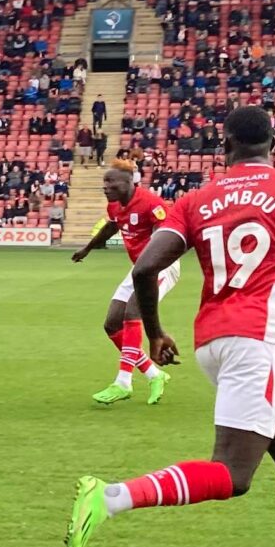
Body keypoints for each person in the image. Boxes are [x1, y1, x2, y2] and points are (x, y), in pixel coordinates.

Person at [63, 105, 275, 547]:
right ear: (274, 143)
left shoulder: (197, 199)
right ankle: (110, 497)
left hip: (211, 344)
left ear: (225, 146)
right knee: (233, 475)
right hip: (257, 343)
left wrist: (155, 332)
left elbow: (146, 268)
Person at [68, 154, 176, 406]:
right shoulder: (115, 206)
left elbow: (166, 234)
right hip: (139, 269)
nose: (106, 187)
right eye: (104, 183)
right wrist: (87, 248)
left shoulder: (151, 203)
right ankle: (154, 374)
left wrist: (154, 265)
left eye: (111, 183)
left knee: (132, 313)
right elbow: (112, 226)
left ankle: (123, 382)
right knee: (112, 324)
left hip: (160, 266)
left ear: (129, 183)